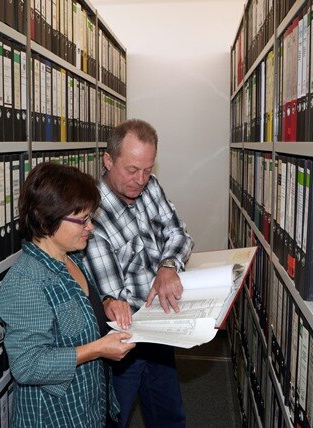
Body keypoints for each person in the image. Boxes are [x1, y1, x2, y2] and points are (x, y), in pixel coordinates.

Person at [0, 162, 136, 427]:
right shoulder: (27, 281)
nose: (91, 227)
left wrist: (105, 305)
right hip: (55, 416)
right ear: (48, 218)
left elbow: (78, 309)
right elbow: (27, 364)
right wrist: (97, 350)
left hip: (89, 406)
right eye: (82, 220)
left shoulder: (72, 259)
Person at [84, 119, 194, 427]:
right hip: (123, 340)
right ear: (108, 160)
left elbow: (180, 234)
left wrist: (168, 266)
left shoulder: (150, 187)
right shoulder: (92, 213)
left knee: (169, 415)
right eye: (132, 170)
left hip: (160, 331)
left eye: (148, 170)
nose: (141, 180)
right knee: (114, 419)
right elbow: (114, 295)